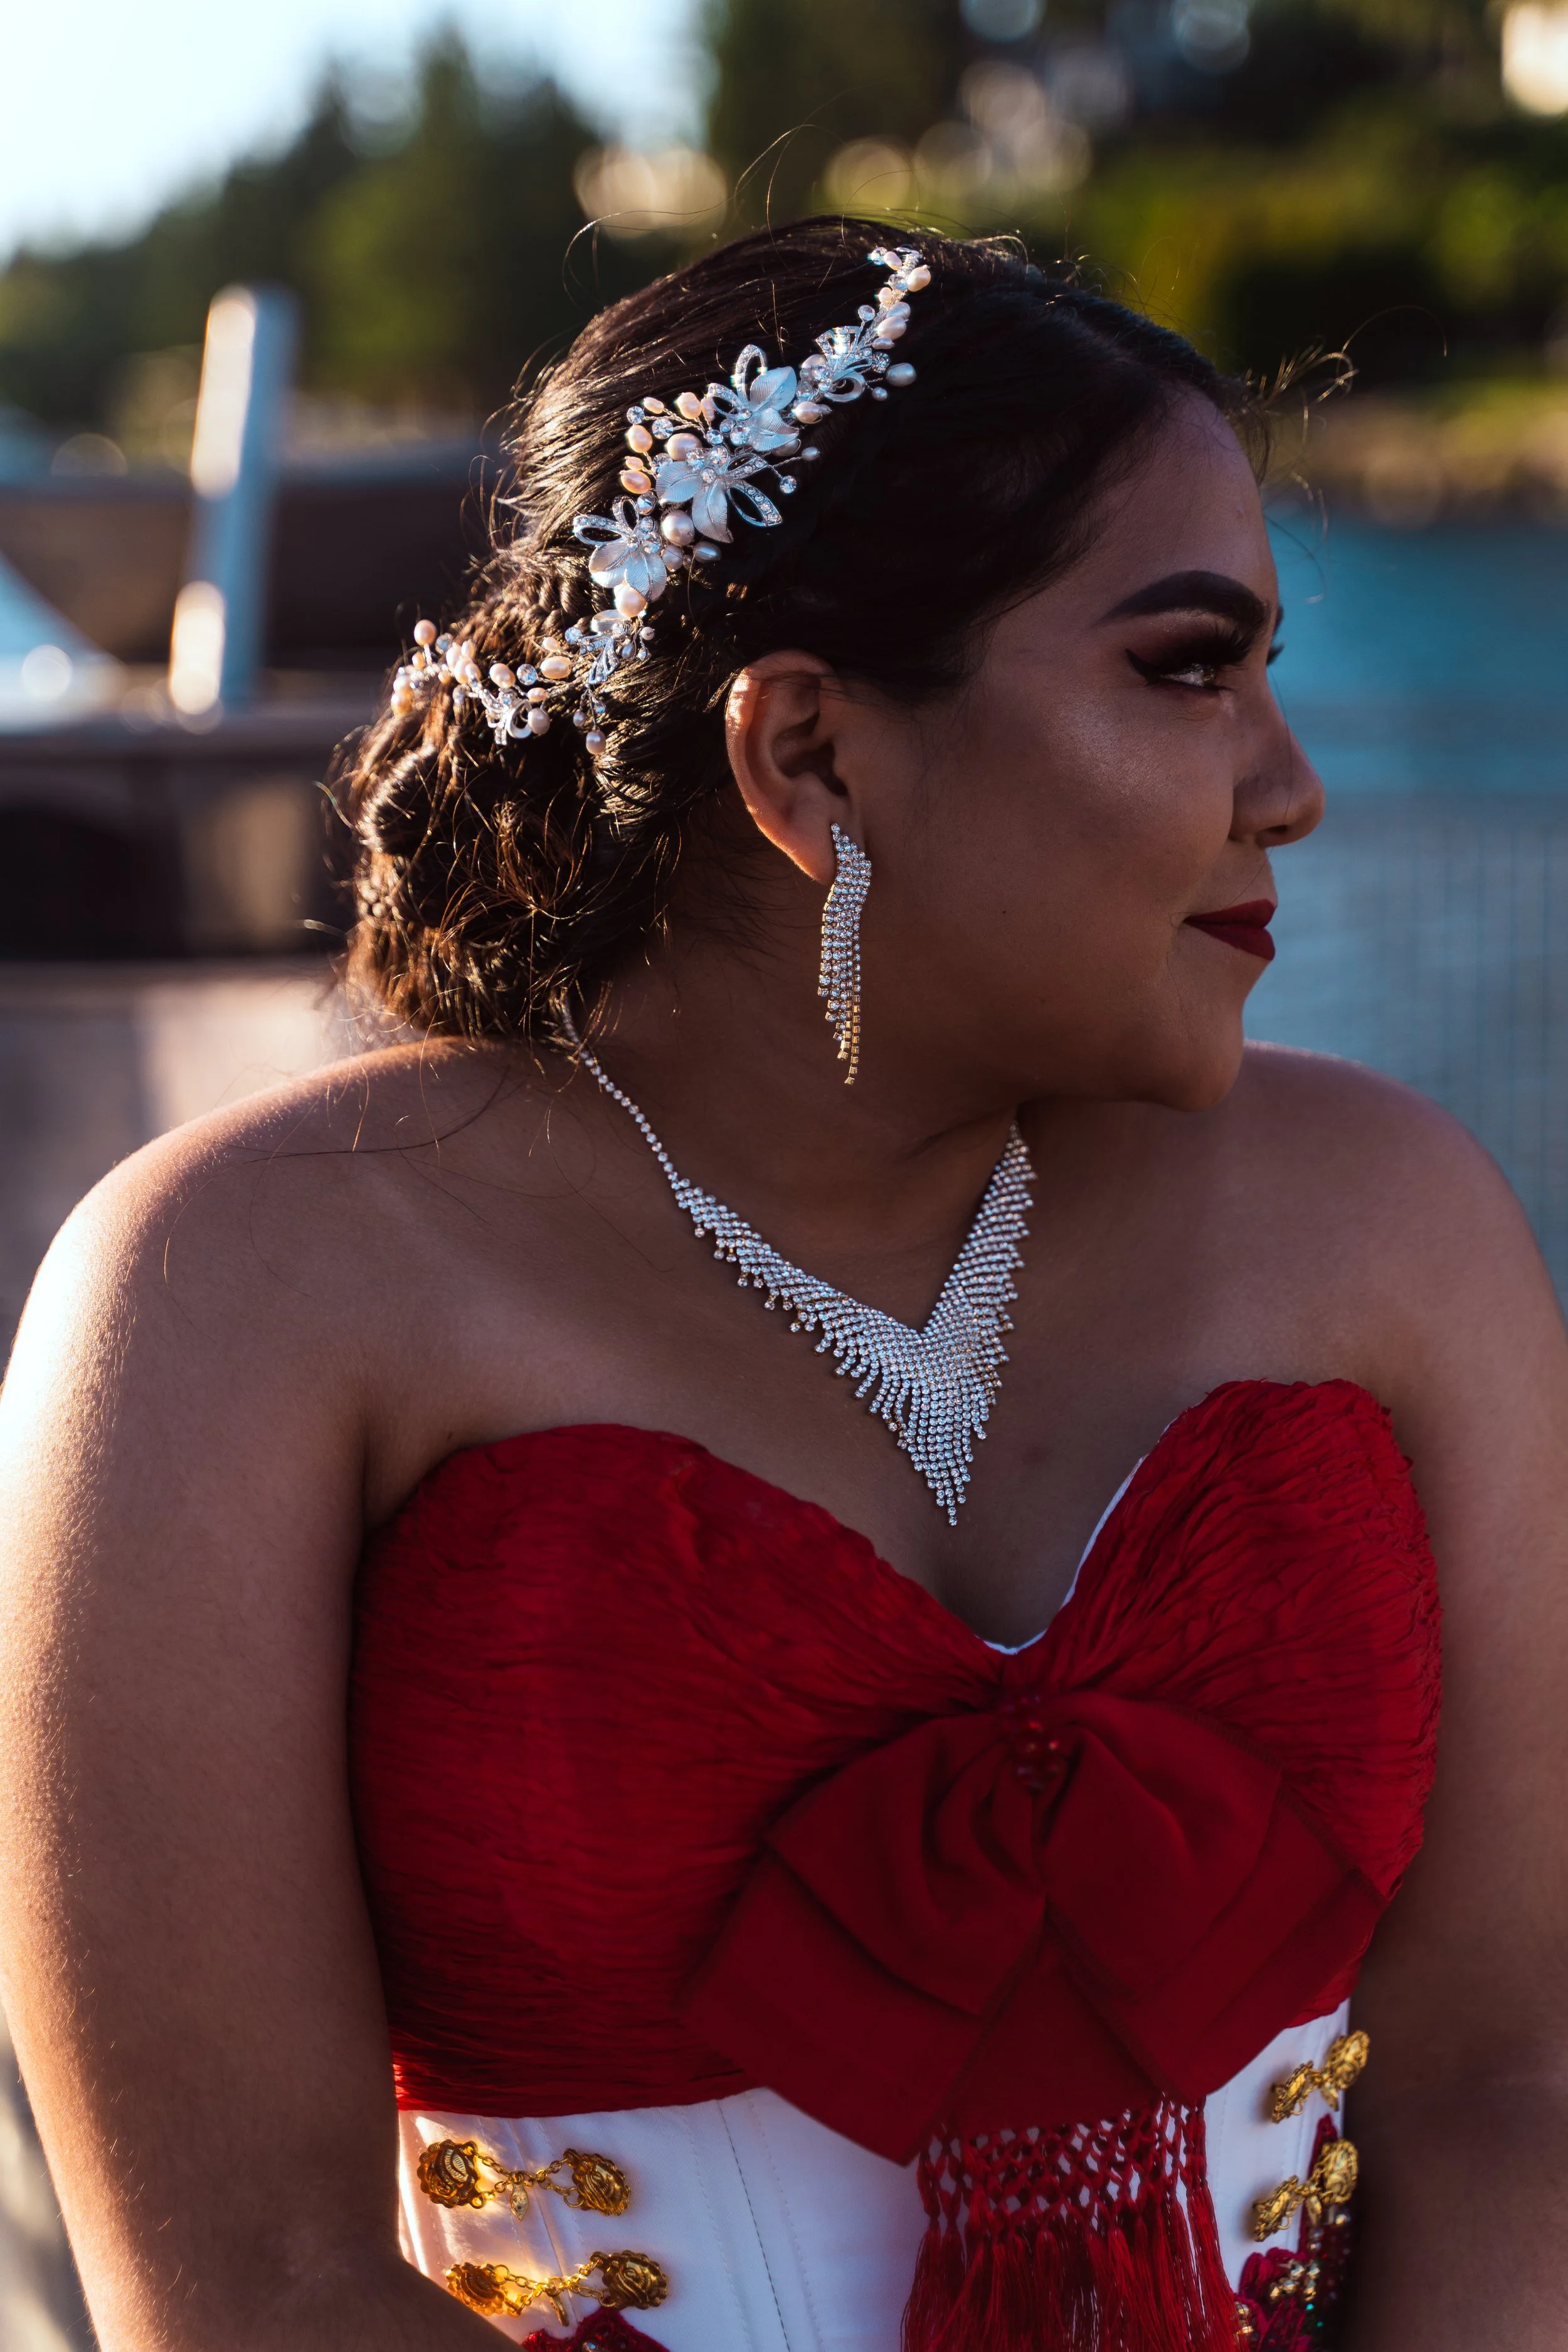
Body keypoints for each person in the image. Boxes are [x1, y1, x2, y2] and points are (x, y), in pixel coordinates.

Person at [0, 217, 1563, 2352]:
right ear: (808, 755)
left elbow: (1510, 2089)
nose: (1288, 780)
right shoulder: (229, 1301)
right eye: (1189, 665)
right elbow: (251, 2278)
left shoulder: (1395, 1219)